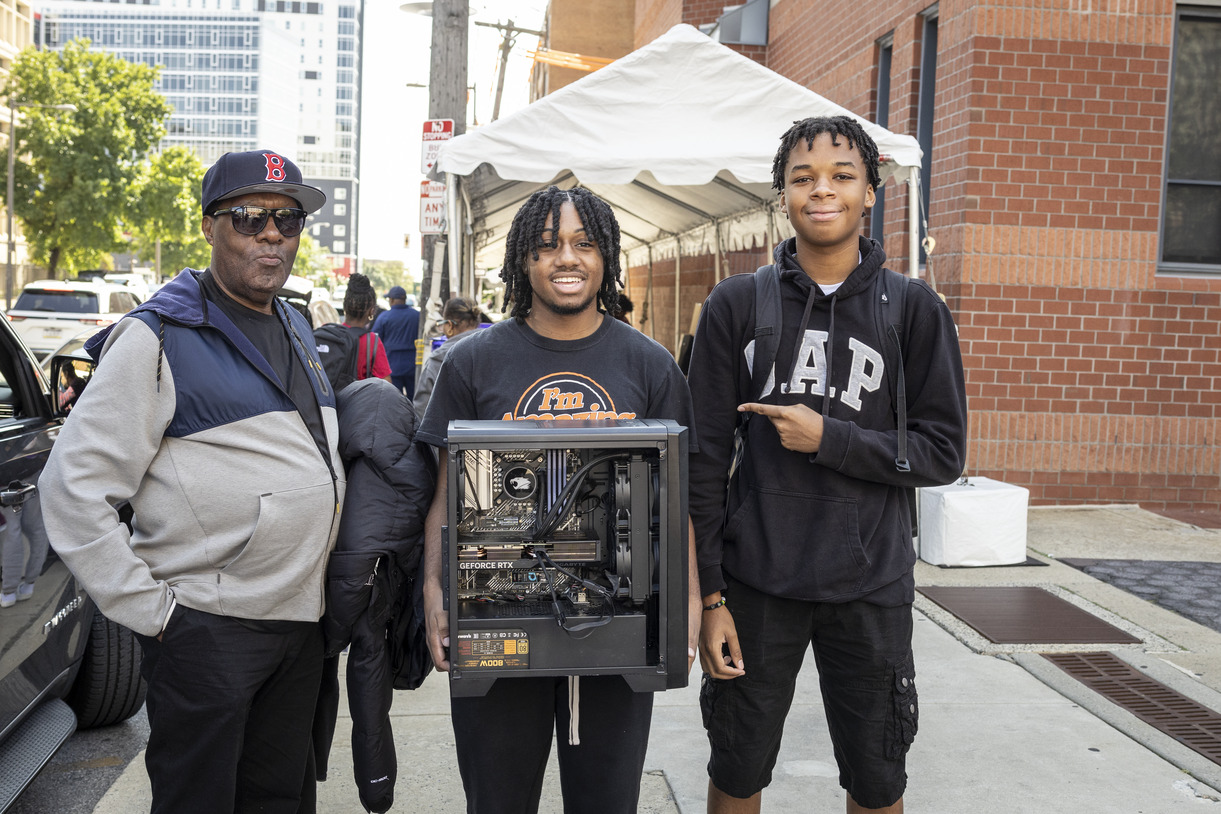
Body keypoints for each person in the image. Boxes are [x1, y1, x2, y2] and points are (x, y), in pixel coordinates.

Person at [39, 149, 344, 814]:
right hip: (208, 631)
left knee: (278, 801)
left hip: (298, 627)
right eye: (249, 218)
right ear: (209, 227)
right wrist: (158, 617)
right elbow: (72, 490)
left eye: (287, 222)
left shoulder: (295, 324)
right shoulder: (158, 336)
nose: (272, 235)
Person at [686, 116, 968, 814]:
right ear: (781, 193)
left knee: (877, 781)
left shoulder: (912, 309)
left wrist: (831, 439)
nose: (822, 191)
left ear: (870, 191)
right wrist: (710, 598)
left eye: (841, 176)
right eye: (802, 177)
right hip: (756, 586)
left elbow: (942, 452)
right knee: (736, 767)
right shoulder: (735, 304)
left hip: (870, 586)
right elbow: (700, 465)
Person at [417, 185, 702, 814]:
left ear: (606, 258)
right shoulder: (471, 363)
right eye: (547, 247)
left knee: (606, 801)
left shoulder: (650, 366)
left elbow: (674, 503)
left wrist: (686, 606)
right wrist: (437, 597)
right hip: (494, 616)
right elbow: (445, 497)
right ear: (523, 261)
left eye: (583, 243)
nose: (565, 259)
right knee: (496, 800)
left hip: (620, 623)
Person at [411, 295, 481, 417]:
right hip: (494, 432)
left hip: (449, 433)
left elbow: (422, 410)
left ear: (449, 326)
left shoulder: (439, 359)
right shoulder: (495, 349)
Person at [372, 284, 420, 396]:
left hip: (392, 366)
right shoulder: (417, 316)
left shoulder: (384, 317)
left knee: (395, 400)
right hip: (412, 366)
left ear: (392, 300)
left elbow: (375, 341)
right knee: (414, 401)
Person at [342, 273, 392, 382]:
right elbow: (386, 385)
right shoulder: (372, 341)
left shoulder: (330, 334)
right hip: (356, 398)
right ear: (371, 310)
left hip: (327, 398)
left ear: (344, 306)